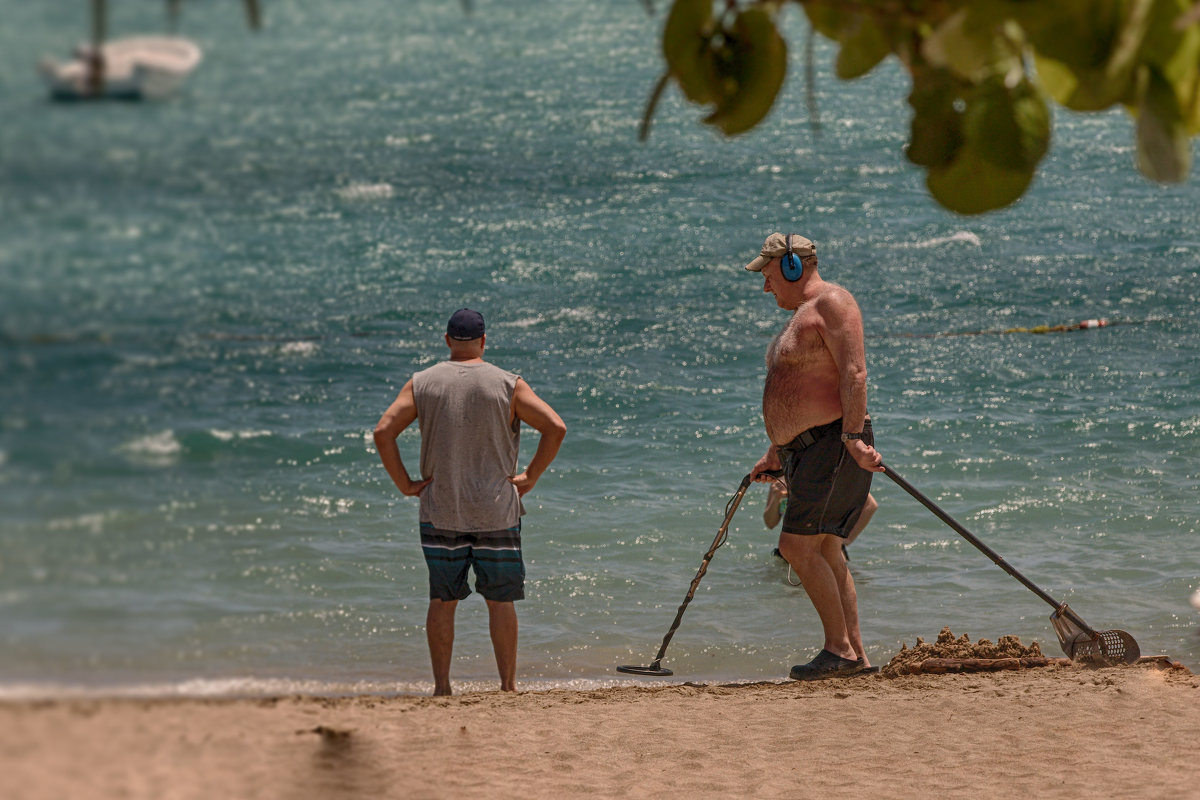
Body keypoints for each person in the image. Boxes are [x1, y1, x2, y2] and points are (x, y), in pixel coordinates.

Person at [373, 308, 566, 696]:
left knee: (443, 600)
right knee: (501, 601)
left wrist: (406, 485)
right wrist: (530, 477)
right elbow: (555, 427)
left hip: (441, 509)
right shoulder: (508, 384)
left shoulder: (422, 382)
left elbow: (383, 431)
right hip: (496, 510)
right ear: (483, 341)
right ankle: (508, 687)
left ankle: (443, 688)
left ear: (447, 341)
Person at [744, 232, 884, 680]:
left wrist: (852, 439)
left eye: (769, 275)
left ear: (791, 266)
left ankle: (838, 651)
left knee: (794, 547)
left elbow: (855, 372)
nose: (766, 287)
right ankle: (855, 655)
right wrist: (775, 452)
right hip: (804, 450)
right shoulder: (800, 317)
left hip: (832, 443)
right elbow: (798, 393)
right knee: (826, 546)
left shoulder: (833, 303)